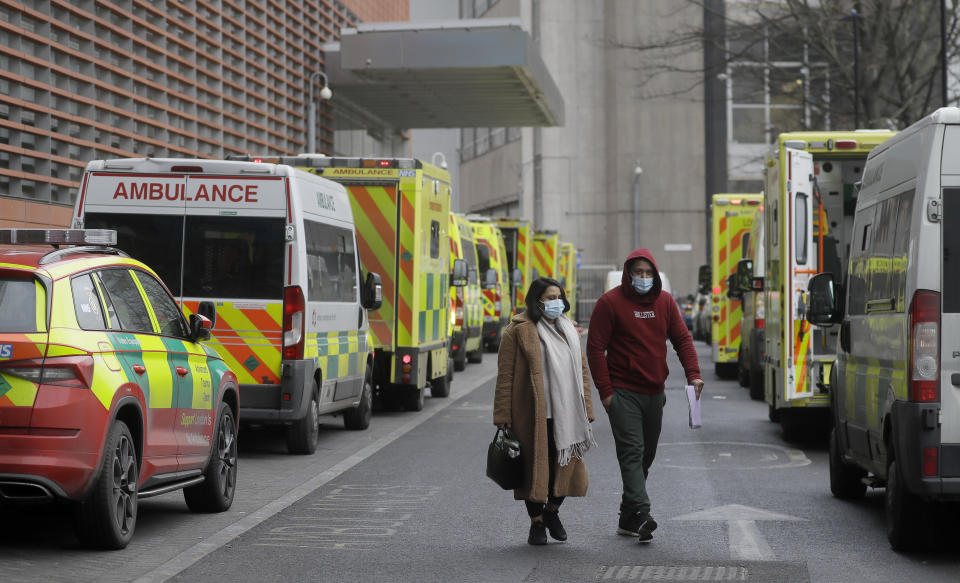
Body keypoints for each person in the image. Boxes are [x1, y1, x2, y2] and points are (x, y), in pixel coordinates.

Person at [587, 249, 704, 544]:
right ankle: (641, 513)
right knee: (632, 452)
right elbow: (595, 348)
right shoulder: (609, 303)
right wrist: (606, 393)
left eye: (647, 273)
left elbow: (682, 339)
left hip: (655, 393)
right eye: (637, 272)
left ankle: (627, 517)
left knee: (646, 456)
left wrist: (694, 374)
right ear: (628, 274)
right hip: (623, 393)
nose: (642, 278)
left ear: (655, 274)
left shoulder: (664, 302)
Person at [493, 277, 597, 545]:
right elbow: (505, 377)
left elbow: (582, 372)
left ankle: (553, 511)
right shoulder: (517, 331)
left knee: (565, 467)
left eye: (558, 297)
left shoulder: (569, 331)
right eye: (549, 298)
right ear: (536, 300)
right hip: (531, 414)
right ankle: (536, 523)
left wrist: (587, 407)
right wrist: (503, 416)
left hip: (567, 414)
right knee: (534, 471)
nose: (555, 302)